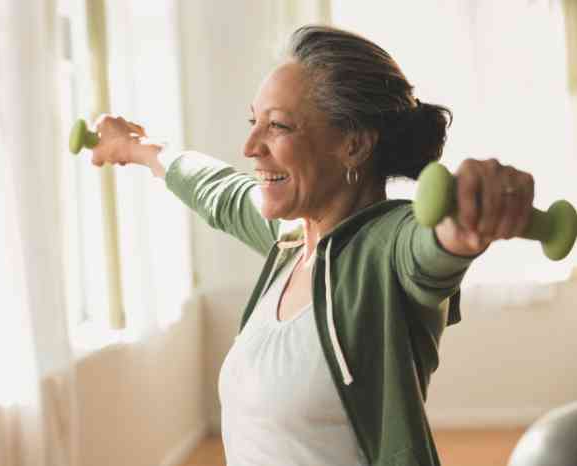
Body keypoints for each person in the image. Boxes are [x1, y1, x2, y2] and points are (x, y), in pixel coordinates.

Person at [88, 25, 534, 466]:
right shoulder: (293, 240)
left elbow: (426, 250)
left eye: (278, 126)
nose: (249, 146)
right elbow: (218, 191)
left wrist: (462, 229)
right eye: (253, 122)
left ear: (354, 145)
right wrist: (137, 148)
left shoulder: (384, 249)